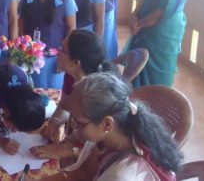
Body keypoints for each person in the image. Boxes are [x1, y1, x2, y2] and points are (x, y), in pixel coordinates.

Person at [28, 72, 182, 181]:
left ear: (107, 124)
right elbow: (81, 174)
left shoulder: (123, 175)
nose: (73, 128)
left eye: (79, 123)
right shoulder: (111, 135)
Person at [30, 29, 118, 160]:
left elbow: (104, 147)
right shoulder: (71, 76)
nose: (57, 52)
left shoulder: (99, 94)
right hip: (77, 139)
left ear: (76, 63)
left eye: (62, 49)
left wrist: (69, 151)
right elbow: (65, 105)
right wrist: (55, 122)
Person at [19, 0, 77, 89]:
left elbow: (72, 29)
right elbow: (21, 22)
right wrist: (22, 50)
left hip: (55, 58)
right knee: (33, 92)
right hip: (30, 57)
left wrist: (64, 58)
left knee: (53, 95)